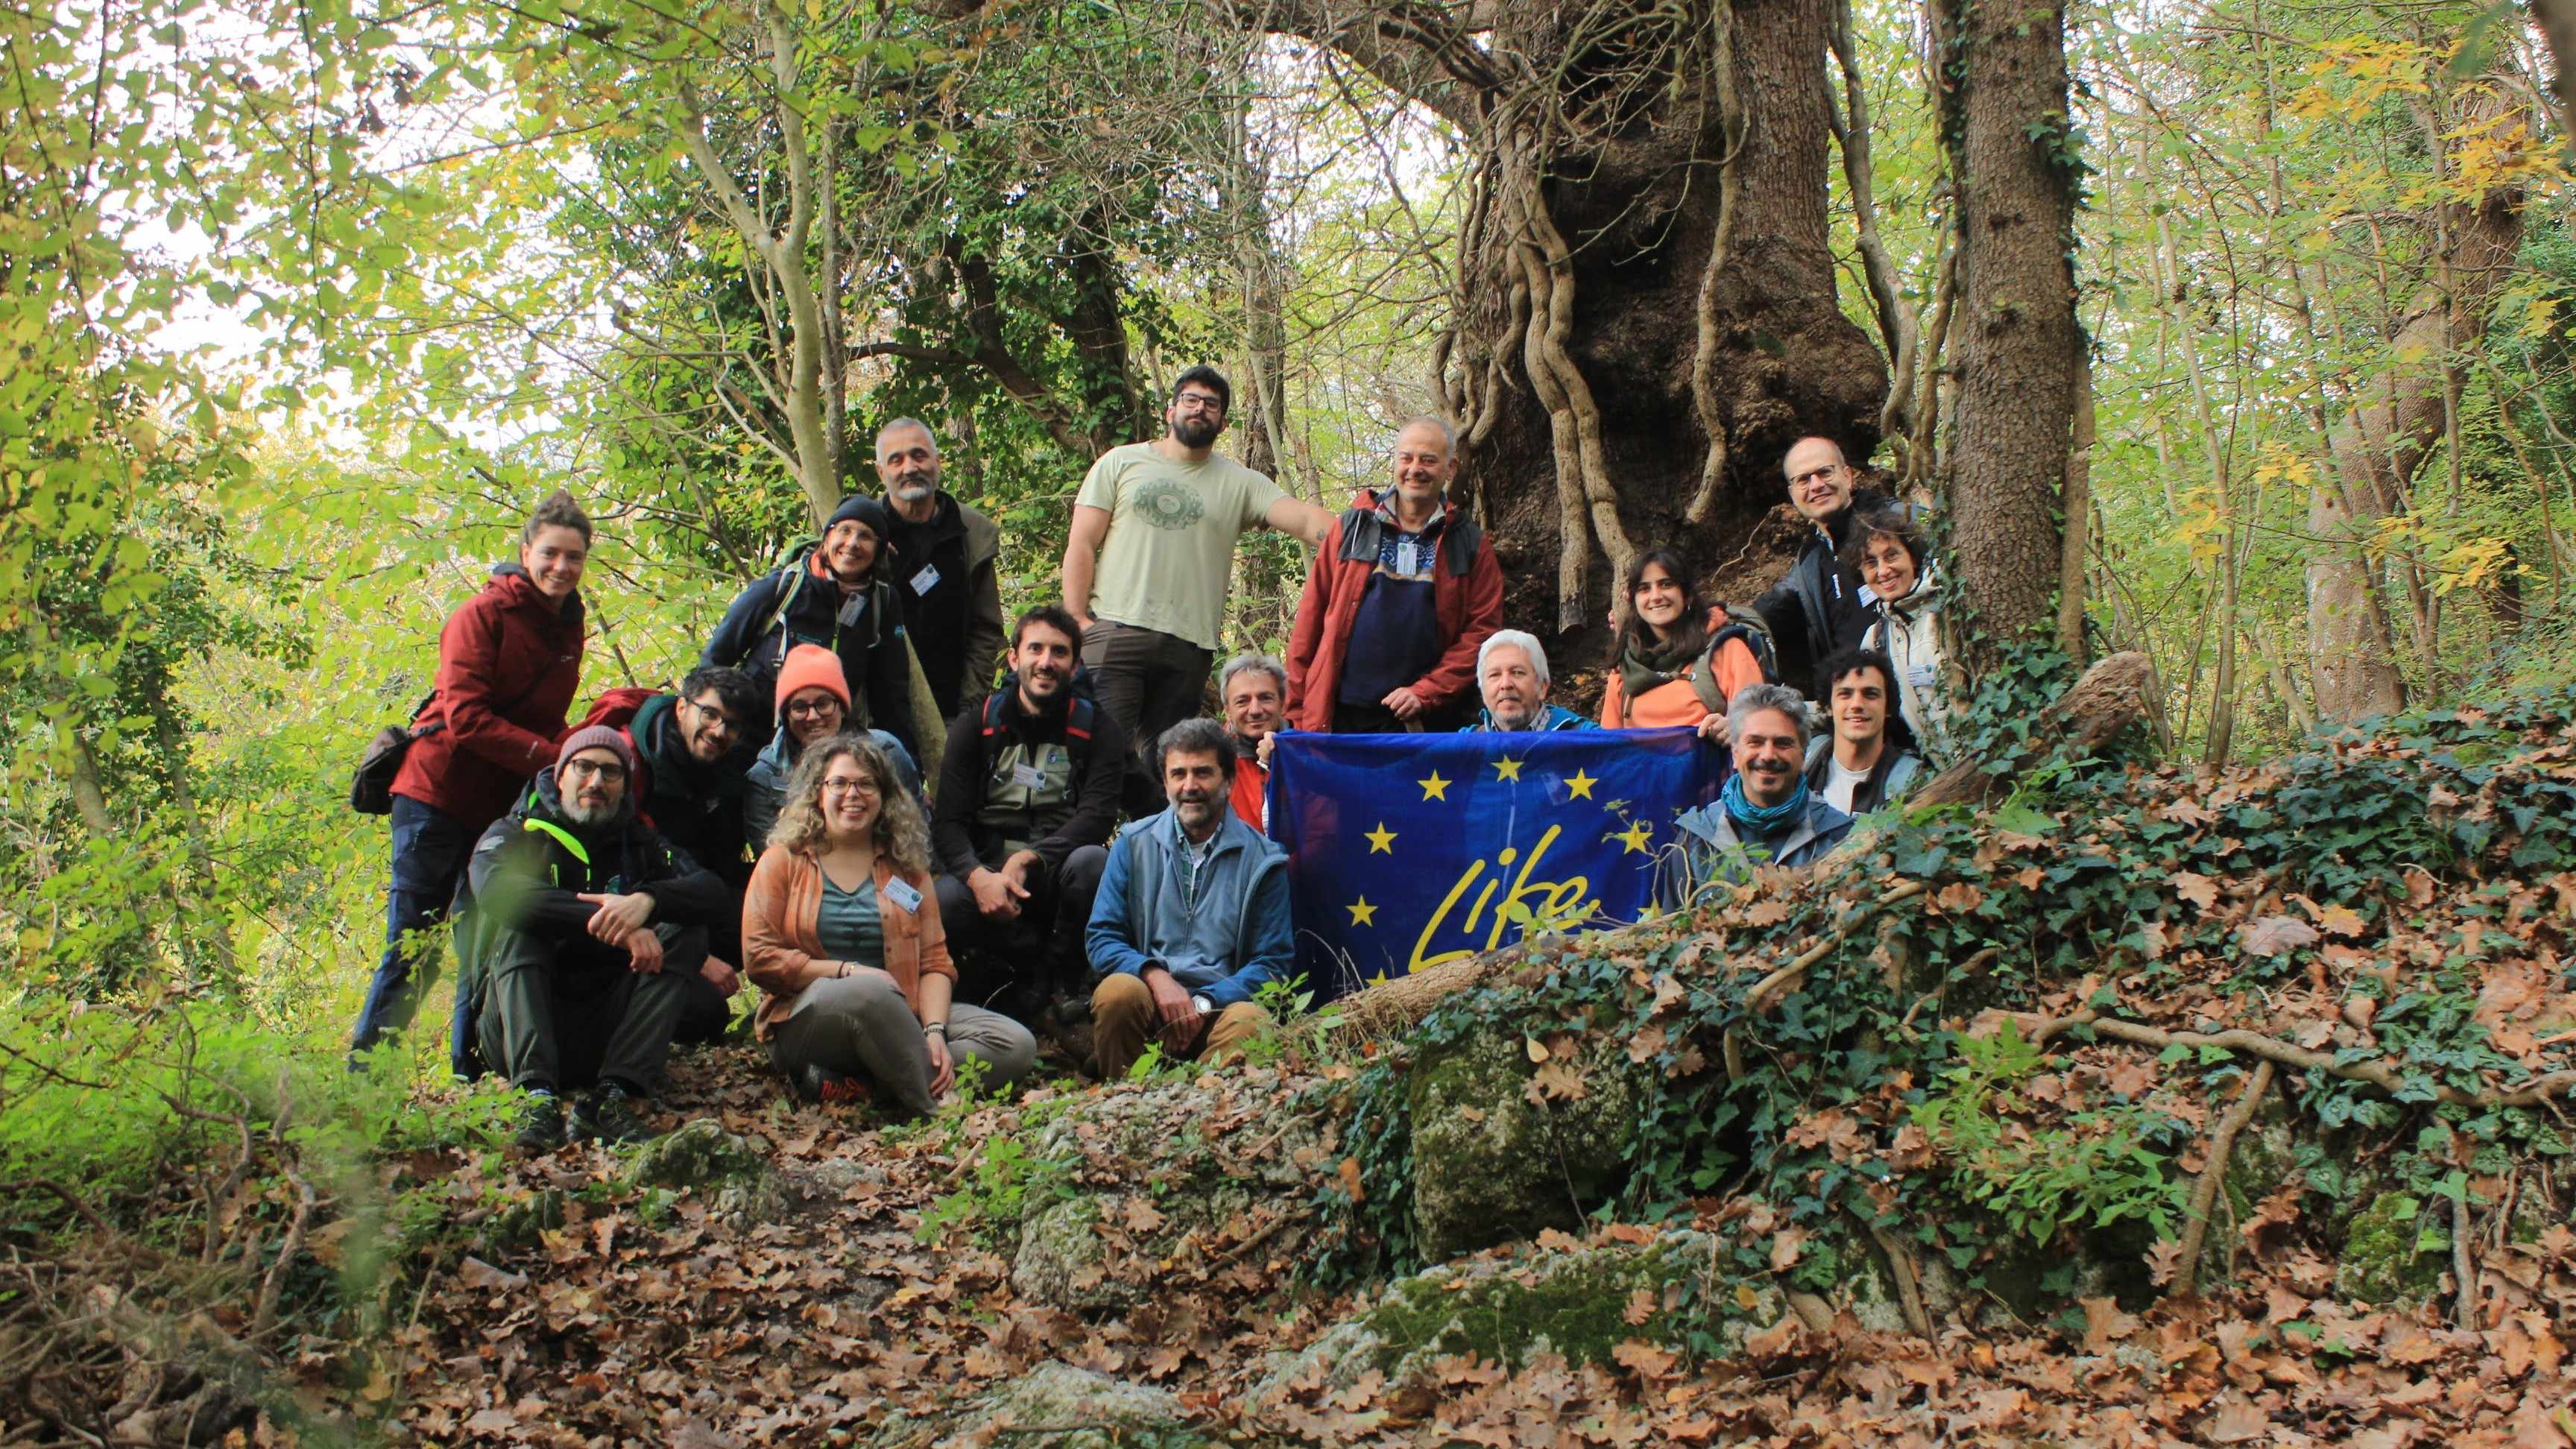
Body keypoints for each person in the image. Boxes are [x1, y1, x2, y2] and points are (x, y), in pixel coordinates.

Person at [351, 490, 590, 1061]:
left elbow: (545, 718)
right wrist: (551, 758)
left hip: (496, 811)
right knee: (415, 945)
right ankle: (366, 1077)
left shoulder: (567, 627)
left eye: (574, 557)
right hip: (435, 797)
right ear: (526, 552)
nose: (561, 567)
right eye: (551, 553)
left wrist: (578, 749)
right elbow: (465, 718)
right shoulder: (481, 615)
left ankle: (470, 1074)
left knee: (481, 941)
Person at [1061, 366, 1332, 792]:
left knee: (1168, 770)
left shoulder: (1240, 483)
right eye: (1191, 399)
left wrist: (1369, 532)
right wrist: (1077, 619)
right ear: (1171, 410)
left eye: (1211, 404)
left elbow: (1303, 519)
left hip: (1187, 648)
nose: (1200, 409)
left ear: (1222, 422)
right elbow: (1081, 541)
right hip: (1115, 631)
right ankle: (1087, 836)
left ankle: (1155, 835)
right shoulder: (1122, 462)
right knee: (1099, 756)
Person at [458, 727, 727, 1152]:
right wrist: (613, 924)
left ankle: (614, 1094)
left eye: (611, 772)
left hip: (602, 1027)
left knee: (685, 930)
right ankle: (536, 1098)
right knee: (518, 923)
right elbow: (494, 889)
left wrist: (646, 900)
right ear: (561, 775)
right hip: (514, 1029)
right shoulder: (518, 830)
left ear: (625, 784)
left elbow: (710, 890)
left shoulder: (639, 839)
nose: (596, 781)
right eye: (584, 767)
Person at [743, 734, 1038, 1116]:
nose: (853, 794)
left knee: (1015, 1044)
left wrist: (934, 1031)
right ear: (818, 792)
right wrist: (847, 971)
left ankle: (863, 1084)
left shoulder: (907, 869)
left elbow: (934, 963)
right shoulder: (783, 861)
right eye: (839, 783)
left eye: (866, 784)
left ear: (884, 797)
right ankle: (935, 1107)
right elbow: (759, 958)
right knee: (867, 991)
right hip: (808, 1017)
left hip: (903, 1011)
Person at [932, 606, 1127, 1016]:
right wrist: (978, 877)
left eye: (1059, 652)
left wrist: (1029, 858)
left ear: (1076, 665)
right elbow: (948, 823)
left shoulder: (1098, 729)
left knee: (1094, 863)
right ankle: (987, 978)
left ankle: (1066, 979)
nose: (1046, 662)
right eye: (1035, 648)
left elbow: (1096, 817)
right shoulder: (976, 726)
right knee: (943, 898)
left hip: (1056, 868)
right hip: (987, 867)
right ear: (1014, 658)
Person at [1087, 720, 1289, 1079]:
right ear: (1165, 783)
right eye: (1178, 774)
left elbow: (1272, 963)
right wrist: (1154, 975)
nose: (1190, 786)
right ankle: (1124, 1097)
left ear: (1228, 781)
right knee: (1118, 992)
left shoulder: (1263, 860)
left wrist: (1205, 1001)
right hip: (1149, 1002)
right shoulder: (1133, 844)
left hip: (1219, 1011)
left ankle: (1205, 1105)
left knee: (1251, 1020)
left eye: (1203, 773)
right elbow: (1102, 936)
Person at [1282, 417, 1503, 734]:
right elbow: (1310, 620)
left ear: (1451, 468)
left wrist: (1426, 691)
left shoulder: (1469, 543)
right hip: (1343, 718)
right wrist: (1296, 716)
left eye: (1428, 460)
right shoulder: (1352, 528)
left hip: (1427, 722)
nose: (1415, 469)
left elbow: (1482, 632)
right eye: (1407, 458)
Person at [701, 493, 927, 761]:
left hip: (826, 752)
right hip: (751, 744)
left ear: (879, 550)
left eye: (865, 536)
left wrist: (905, 763)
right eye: (844, 530)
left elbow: (891, 695)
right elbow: (714, 663)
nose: (852, 543)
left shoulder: (882, 604)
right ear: (827, 537)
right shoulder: (780, 589)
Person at [619, 665, 764, 1044]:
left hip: (693, 902)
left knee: (773, 902)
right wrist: (697, 959)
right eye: (710, 714)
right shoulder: (632, 765)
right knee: (705, 1015)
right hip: (633, 922)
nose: (718, 731)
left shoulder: (726, 773)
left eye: (731, 725)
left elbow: (721, 868)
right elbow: (618, 878)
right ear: (682, 708)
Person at [1752, 437, 1911, 696]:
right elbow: (1776, 606)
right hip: (1858, 705)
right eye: (1804, 480)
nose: (1816, 485)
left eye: (1825, 472)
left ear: (1848, 476)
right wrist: (1729, 621)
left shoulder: (1898, 521)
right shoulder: (1812, 559)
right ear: (1793, 494)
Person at [1667, 684, 1854, 899]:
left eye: (1782, 743)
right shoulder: (1695, 841)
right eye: (1755, 742)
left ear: (1803, 755)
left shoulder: (1840, 837)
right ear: (1735, 753)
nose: (1768, 755)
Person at [875, 417, 1007, 721]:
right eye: (896, 460)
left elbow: (986, 629)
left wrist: (969, 708)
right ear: (881, 472)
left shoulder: (972, 531)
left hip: (953, 708)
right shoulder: (864, 533)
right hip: (880, 712)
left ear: (938, 461)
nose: (910, 468)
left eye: (919, 455)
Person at [745, 645, 920, 848]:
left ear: (842, 708)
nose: (813, 716)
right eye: (800, 707)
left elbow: (916, 831)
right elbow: (770, 856)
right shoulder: (765, 775)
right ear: (786, 715)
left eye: (823, 704)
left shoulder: (887, 750)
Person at [1598, 549, 1770, 745]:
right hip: (1641, 766)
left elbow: (1757, 727)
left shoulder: (1727, 651)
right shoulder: (1625, 666)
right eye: (1644, 589)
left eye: (1666, 584)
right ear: (1633, 600)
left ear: (1687, 595)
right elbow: (1609, 748)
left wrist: (1733, 728)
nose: (1656, 596)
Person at [1846, 507, 1957, 763]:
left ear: (1913, 558)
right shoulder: (1876, 638)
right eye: (1871, 563)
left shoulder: (1947, 612)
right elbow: (1852, 700)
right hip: (1947, 773)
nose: (1883, 571)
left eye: (1892, 555)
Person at [1802, 648, 1924, 816]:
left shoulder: (1912, 781)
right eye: (1845, 694)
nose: (1857, 704)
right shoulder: (1805, 759)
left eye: (1870, 694)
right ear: (1828, 707)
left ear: (1888, 708)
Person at [1459, 631, 1596, 733]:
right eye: (1495, 675)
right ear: (1482, 690)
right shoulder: (1462, 747)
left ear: (1542, 686)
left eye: (1517, 673)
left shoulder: (1586, 739)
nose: (1506, 684)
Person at [1216, 653, 1286, 830]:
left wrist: (1283, 759)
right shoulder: (1213, 759)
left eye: (1265, 698)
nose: (1255, 710)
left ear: (1282, 703)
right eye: (1242, 701)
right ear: (1227, 710)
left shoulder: (1307, 753)